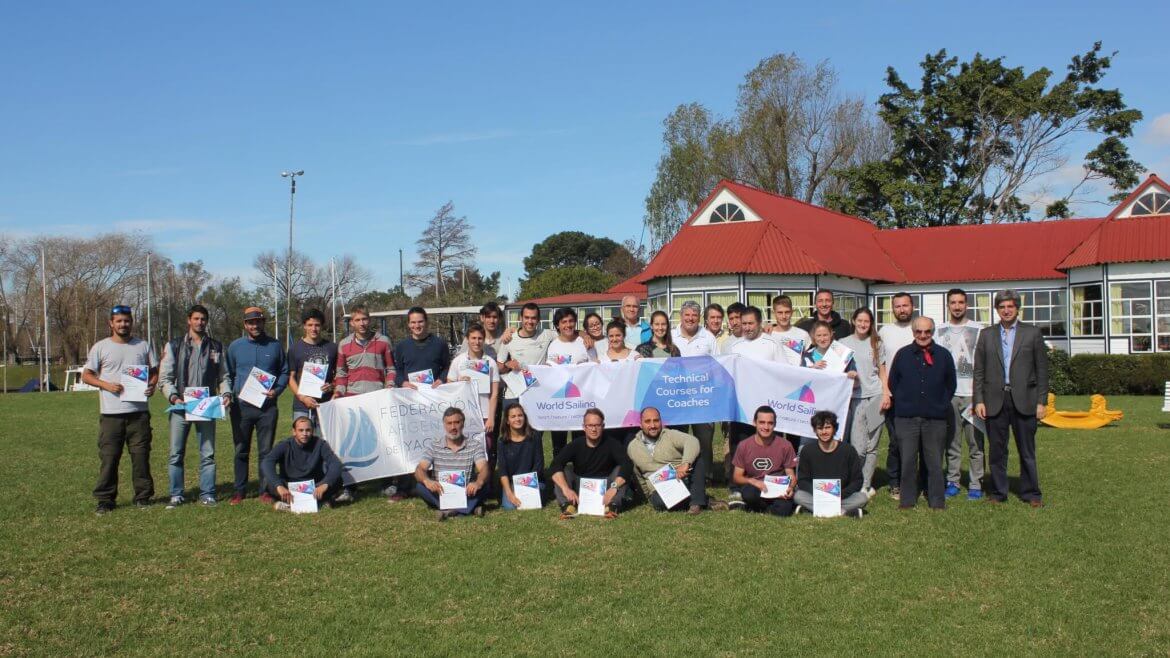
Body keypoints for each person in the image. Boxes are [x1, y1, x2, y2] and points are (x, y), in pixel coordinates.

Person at [973, 289, 1048, 508]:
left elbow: (1042, 370)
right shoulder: (986, 335)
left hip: (1025, 400)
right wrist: (979, 400)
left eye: (1010, 306)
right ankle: (998, 491)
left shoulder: (1032, 333)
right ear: (996, 310)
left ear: (1017, 308)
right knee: (997, 450)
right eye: (1002, 307)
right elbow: (979, 371)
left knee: (1027, 450)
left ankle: (1031, 492)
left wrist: (1041, 401)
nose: (1006, 310)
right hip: (995, 400)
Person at [83, 304, 159, 514]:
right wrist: (106, 385)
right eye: (119, 321)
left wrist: (152, 385)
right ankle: (106, 499)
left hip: (138, 413)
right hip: (111, 415)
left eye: (127, 320)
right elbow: (86, 375)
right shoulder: (101, 347)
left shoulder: (142, 345)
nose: (123, 324)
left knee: (141, 456)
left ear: (131, 322)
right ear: (111, 323)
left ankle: (143, 497)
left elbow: (154, 371)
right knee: (109, 458)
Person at [160, 304, 231, 508]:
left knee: (207, 453)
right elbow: (165, 378)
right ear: (189, 320)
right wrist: (174, 397)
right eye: (196, 319)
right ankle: (176, 494)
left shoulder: (216, 347)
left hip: (207, 406)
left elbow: (223, 376)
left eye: (203, 319)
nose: (200, 322)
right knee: (176, 453)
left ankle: (207, 494)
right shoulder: (174, 345)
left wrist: (226, 393)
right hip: (181, 407)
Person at [888, 317, 956, 510]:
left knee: (934, 461)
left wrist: (940, 404)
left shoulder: (943, 355)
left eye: (927, 332)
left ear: (932, 332)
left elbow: (950, 383)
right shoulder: (903, 355)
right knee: (908, 460)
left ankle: (936, 500)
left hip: (935, 418)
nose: (923, 335)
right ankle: (908, 500)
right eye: (919, 331)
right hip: (907, 417)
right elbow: (893, 381)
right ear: (913, 332)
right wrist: (904, 400)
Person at [225, 306, 289, 505]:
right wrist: (230, 394)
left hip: (267, 408)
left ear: (263, 323)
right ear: (245, 325)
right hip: (241, 408)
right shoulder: (235, 346)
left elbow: (285, 372)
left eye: (259, 321)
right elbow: (228, 373)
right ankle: (239, 491)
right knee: (241, 450)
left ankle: (265, 490)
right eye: (251, 322)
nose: (255, 325)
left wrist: (276, 390)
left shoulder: (275, 346)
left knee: (266, 451)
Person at [333, 304, 396, 503]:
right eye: (357, 320)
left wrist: (390, 385)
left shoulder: (383, 341)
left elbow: (391, 369)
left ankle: (386, 482)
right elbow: (341, 374)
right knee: (352, 444)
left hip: (377, 398)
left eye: (365, 319)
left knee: (382, 440)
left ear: (370, 320)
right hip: (352, 400)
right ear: (352, 323)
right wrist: (338, 392)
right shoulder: (343, 345)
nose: (362, 323)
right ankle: (350, 486)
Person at [724, 305, 782, 496]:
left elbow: (785, 372)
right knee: (739, 446)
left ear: (760, 323)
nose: (747, 327)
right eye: (744, 323)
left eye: (751, 323)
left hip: (767, 406)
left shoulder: (772, 344)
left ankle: (773, 481)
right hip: (741, 406)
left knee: (770, 444)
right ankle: (736, 487)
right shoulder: (734, 346)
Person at [935, 288, 986, 500]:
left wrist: (980, 396)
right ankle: (953, 481)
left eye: (961, 302)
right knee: (952, 443)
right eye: (953, 302)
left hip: (973, 395)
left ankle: (976, 484)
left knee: (976, 443)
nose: (957, 306)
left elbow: (985, 364)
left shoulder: (979, 329)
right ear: (948, 305)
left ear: (967, 304)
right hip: (950, 395)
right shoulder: (938, 330)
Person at [628, 407, 725, 514]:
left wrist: (685, 463)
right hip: (658, 489)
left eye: (656, 420)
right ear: (641, 424)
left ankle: (695, 505)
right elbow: (638, 474)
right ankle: (702, 500)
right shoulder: (633, 447)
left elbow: (692, 441)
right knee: (659, 502)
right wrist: (646, 496)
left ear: (661, 422)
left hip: (680, 479)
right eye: (647, 421)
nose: (653, 425)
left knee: (697, 458)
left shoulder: (669, 435)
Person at [549, 409, 635, 519]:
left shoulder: (612, 443)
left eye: (597, 425)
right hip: (580, 486)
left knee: (620, 470)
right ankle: (568, 506)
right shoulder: (576, 444)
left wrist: (614, 487)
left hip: (606, 487)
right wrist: (566, 488)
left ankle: (611, 506)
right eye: (590, 425)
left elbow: (627, 464)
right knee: (564, 470)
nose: (594, 429)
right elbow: (555, 464)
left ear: (603, 426)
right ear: (584, 427)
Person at [838, 308, 886, 497]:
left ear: (871, 323)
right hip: (854, 399)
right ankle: (856, 482)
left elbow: (882, 371)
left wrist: (886, 394)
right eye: (860, 320)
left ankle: (866, 485)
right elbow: (836, 369)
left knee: (872, 445)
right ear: (853, 321)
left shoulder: (877, 343)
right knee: (858, 446)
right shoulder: (843, 343)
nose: (863, 324)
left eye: (867, 321)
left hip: (875, 396)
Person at [414, 407, 490, 520]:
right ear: (444, 425)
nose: (453, 427)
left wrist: (478, 482)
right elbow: (419, 469)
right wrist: (427, 481)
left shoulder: (474, 445)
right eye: (449, 423)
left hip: (466, 493)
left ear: (463, 423)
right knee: (420, 486)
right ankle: (469, 509)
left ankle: (448, 511)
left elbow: (484, 469)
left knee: (485, 485)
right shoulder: (434, 445)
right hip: (441, 493)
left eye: (457, 422)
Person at [671, 300, 718, 484]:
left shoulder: (708, 337)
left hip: (702, 398)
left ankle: (706, 475)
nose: (690, 318)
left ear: (699, 317)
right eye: (687, 315)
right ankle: (680, 474)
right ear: (681, 316)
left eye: (694, 315)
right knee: (678, 438)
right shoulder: (671, 336)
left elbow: (717, 366)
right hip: (677, 399)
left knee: (704, 439)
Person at [544, 307, 597, 457]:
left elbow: (595, 365)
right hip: (560, 402)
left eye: (571, 321)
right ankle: (558, 473)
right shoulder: (553, 345)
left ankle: (580, 473)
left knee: (580, 440)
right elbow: (549, 371)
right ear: (558, 325)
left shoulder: (585, 342)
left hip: (582, 400)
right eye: (564, 322)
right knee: (558, 444)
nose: (568, 325)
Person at [794, 411, 868, 518]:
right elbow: (802, 480)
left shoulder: (848, 450)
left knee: (862, 498)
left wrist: (840, 494)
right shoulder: (807, 450)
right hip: (816, 496)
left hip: (841, 496)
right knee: (798, 496)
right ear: (815, 430)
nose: (824, 432)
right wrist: (819, 494)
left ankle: (814, 510)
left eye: (827, 427)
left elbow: (857, 480)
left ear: (834, 429)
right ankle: (843, 512)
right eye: (820, 428)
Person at [878, 291, 916, 499]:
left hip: (917, 395)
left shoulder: (920, 328)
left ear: (912, 307)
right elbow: (880, 362)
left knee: (919, 441)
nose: (902, 310)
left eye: (905, 306)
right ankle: (895, 482)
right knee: (895, 441)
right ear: (893, 309)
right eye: (898, 306)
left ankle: (917, 480)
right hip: (893, 394)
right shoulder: (885, 331)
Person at [798, 320, 858, 452]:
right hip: (812, 407)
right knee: (807, 445)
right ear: (813, 337)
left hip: (837, 406)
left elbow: (855, 383)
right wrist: (812, 368)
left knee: (838, 444)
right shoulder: (807, 356)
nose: (822, 338)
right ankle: (804, 472)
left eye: (825, 335)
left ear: (831, 335)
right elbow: (800, 381)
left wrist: (852, 375)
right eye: (818, 335)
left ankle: (838, 472)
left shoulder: (843, 355)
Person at [261, 416, 343, 511]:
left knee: (337, 480)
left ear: (312, 431)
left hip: (315, 487)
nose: (304, 434)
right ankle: (320, 503)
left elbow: (335, 464)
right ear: (294, 431)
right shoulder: (284, 445)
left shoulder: (320, 444)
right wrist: (279, 486)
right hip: (289, 487)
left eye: (308, 430)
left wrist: (325, 484)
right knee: (268, 482)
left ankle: (289, 505)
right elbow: (267, 462)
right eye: (301, 430)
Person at [730, 406, 797, 516]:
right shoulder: (744, 445)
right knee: (749, 494)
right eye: (762, 422)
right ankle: (764, 507)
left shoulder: (785, 445)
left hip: (778, 490)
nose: (766, 427)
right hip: (756, 488)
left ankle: (757, 509)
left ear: (775, 425)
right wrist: (753, 481)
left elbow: (791, 475)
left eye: (770, 423)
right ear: (754, 423)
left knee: (784, 510)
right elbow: (737, 477)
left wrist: (790, 487)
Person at [448, 323, 500, 444]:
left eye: (480, 338)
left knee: (485, 451)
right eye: (473, 338)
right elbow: (449, 386)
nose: (477, 342)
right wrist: (459, 383)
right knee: (463, 451)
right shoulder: (458, 361)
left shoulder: (491, 363)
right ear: (467, 339)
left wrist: (491, 417)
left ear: (484, 340)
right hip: (462, 414)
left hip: (484, 414)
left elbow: (495, 394)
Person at [497, 302, 555, 410]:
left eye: (533, 318)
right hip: (514, 394)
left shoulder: (546, 334)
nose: (530, 321)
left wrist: (584, 335)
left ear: (538, 320)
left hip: (536, 393)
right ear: (521, 318)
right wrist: (507, 363)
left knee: (535, 427)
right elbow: (499, 366)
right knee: (511, 426)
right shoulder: (509, 339)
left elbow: (569, 333)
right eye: (526, 317)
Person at [287, 308, 338, 427]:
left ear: (322, 326)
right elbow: (291, 378)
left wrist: (332, 386)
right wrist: (303, 398)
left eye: (317, 325)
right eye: (310, 325)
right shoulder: (295, 349)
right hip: (302, 406)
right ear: (304, 326)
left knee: (326, 443)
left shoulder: (332, 348)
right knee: (303, 441)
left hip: (326, 404)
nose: (313, 329)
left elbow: (339, 375)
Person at [496, 403, 547, 511]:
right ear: (507, 421)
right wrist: (509, 492)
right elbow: (502, 470)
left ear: (524, 417)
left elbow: (539, 465)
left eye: (520, 415)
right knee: (509, 507)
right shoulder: (502, 442)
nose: (517, 419)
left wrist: (527, 486)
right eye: (513, 416)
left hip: (534, 481)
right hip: (512, 482)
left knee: (530, 505)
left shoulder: (535, 436)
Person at [393, 306, 451, 390]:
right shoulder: (401, 346)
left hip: (434, 394)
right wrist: (403, 382)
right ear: (408, 324)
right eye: (413, 322)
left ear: (426, 322)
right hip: (410, 396)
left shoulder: (440, 344)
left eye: (420, 322)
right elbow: (398, 371)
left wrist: (441, 379)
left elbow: (447, 368)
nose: (417, 325)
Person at [767, 295, 811, 367]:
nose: (784, 316)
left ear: (792, 312)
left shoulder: (803, 334)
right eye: (780, 313)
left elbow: (810, 358)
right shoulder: (767, 334)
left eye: (787, 312)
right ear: (773, 313)